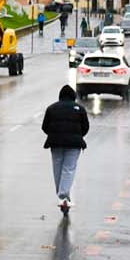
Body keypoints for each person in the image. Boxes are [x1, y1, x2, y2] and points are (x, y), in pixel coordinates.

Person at [41, 84, 90, 214]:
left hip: (55, 143)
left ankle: (61, 195)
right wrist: (77, 135)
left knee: (57, 167)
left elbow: (45, 127)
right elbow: (85, 128)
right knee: (69, 168)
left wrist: (54, 134)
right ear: (73, 97)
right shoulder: (80, 109)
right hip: (74, 145)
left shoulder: (51, 108)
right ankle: (63, 195)